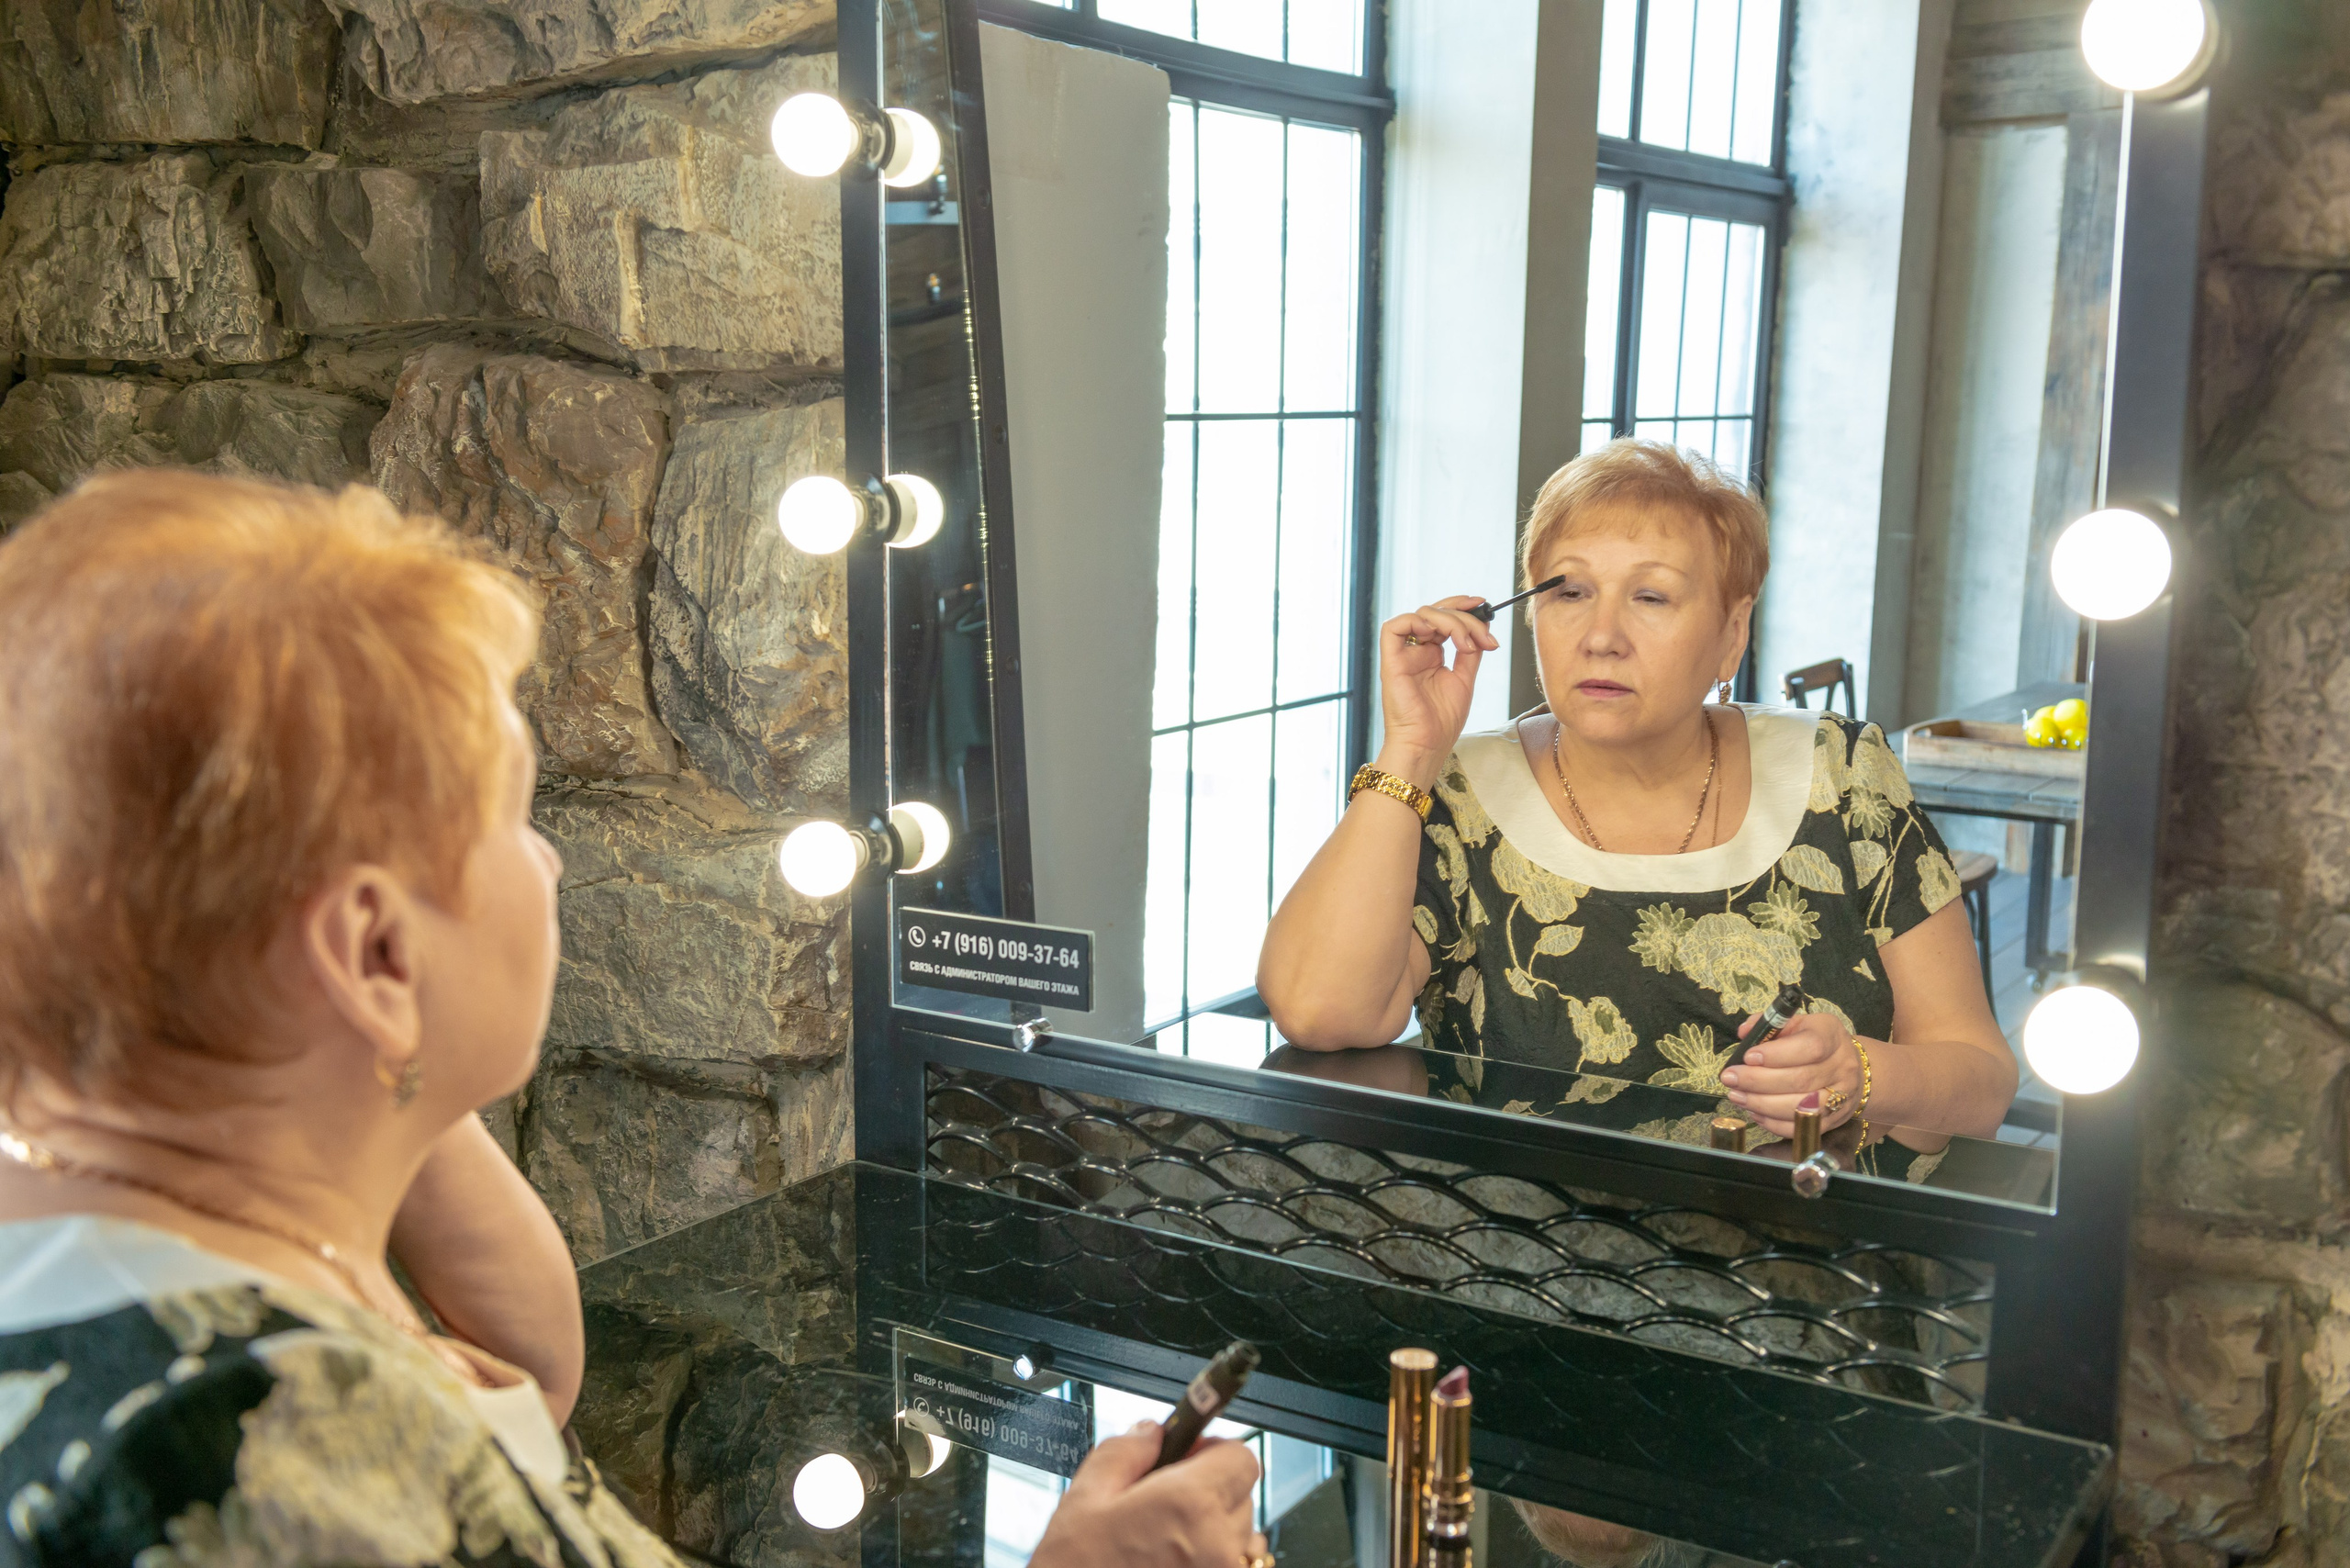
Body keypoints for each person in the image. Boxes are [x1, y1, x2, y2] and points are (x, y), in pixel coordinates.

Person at [0, 471, 1260, 1567]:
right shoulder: (273, 1444)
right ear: (376, 950)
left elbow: (522, 1388)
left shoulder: (92, 1226)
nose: (546, 866)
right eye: (512, 816)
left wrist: (379, 1076)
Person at [1259, 441, 2017, 1167]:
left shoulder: (1841, 773)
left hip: (1815, 1256)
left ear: (1731, 633)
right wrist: (1411, 752)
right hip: (1525, 1261)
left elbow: (1981, 1085)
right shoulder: (1458, 792)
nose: (1601, 636)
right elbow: (1319, 1013)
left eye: (1651, 596)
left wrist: (1863, 1074)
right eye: (1569, 592)